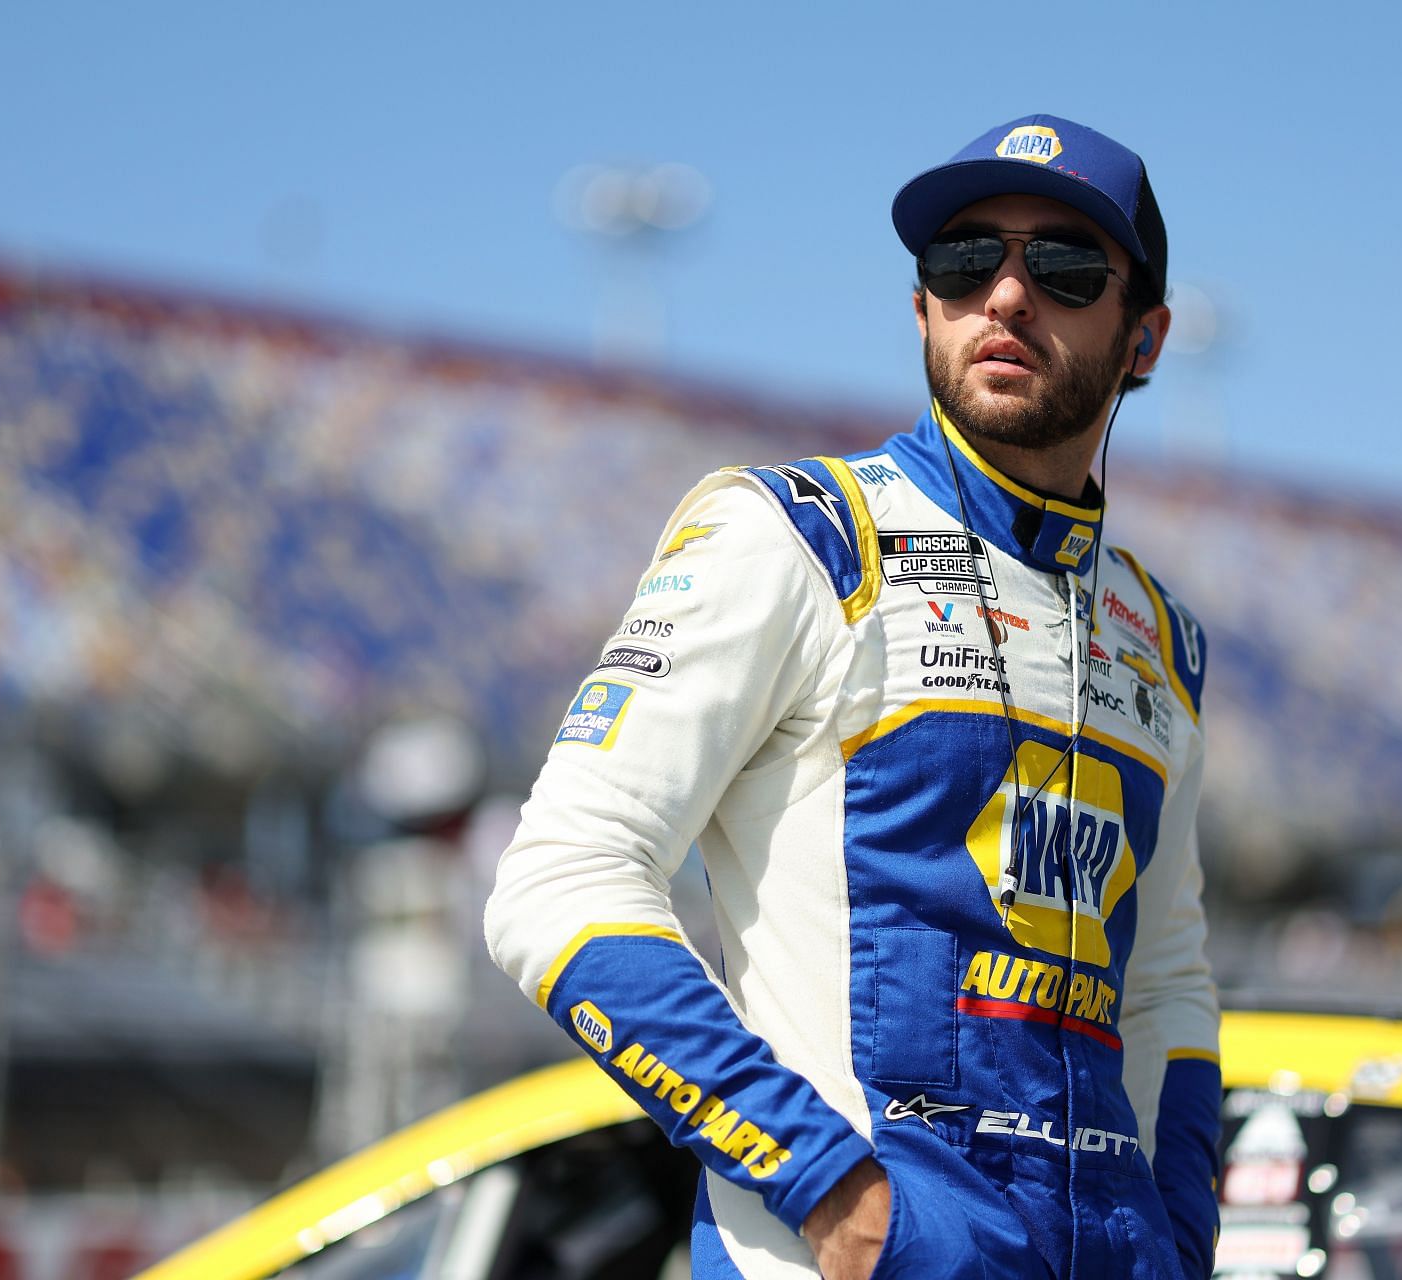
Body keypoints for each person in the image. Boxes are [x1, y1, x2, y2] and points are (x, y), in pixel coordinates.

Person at [486, 114, 1220, 1280]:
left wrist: (1177, 1238)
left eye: (1068, 268)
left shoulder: (1160, 635)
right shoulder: (796, 535)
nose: (1009, 296)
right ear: (924, 305)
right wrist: (830, 1189)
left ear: (1146, 337)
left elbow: (1167, 982)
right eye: (965, 260)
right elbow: (556, 880)